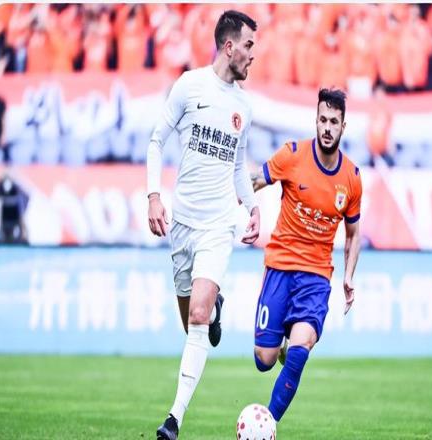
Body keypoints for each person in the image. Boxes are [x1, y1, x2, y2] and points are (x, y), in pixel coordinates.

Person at [146, 10, 260, 440]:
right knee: (190, 321)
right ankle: (215, 308)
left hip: (218, 226)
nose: (252, 54)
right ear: (229, 47)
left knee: (196, 315)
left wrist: (252, 208)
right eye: (248, 45)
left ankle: (173, 419)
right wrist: (153, 195)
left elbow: (237, 167)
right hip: (182, 224)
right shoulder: (189, 86)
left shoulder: (244, 107)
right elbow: (156, 141)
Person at [250, 88, 362, 424]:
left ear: (343, 127)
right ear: (316, 121)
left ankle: (268, 424)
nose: (327, 127)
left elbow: (353, 234)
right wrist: (241, 203)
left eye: (334, 122)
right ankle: (279, 345)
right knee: (264, 359)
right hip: (280, 267)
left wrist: (348, 275)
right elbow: (255, 181)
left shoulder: (352, 178)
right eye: (323, 120)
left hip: (315, 277)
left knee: (299, 352)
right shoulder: (292, 155)